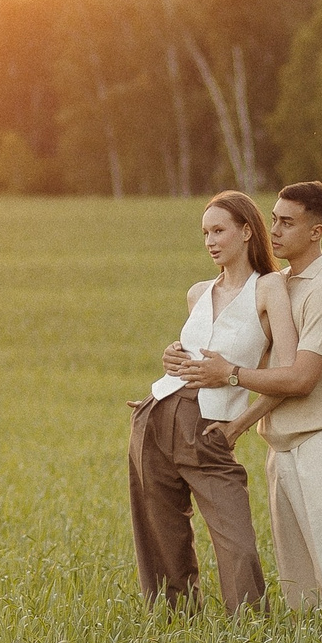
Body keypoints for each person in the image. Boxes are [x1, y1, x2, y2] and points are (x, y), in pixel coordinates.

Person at [170, 180, 322, 612]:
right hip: (282, 447)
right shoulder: (278, 284)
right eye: (273, 220)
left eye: (287, 222)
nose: (275, 231)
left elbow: (301, 379)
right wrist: (184, 358)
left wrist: (230, 375)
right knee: (300, 588)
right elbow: (253, 360)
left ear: (316, 231)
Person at [127, 190, 298, 612]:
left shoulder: (269, 288)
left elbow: (287, 375)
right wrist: (171, 355)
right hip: (156, 414)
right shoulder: (197, 292)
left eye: (219, 231)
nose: (210, 241)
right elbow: (193, 353)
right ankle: (174, 623)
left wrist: (238, 425)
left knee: (237, 543)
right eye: (205, 233)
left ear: (246, 231)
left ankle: (250, 630)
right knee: (161, 533)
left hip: (209, 428)